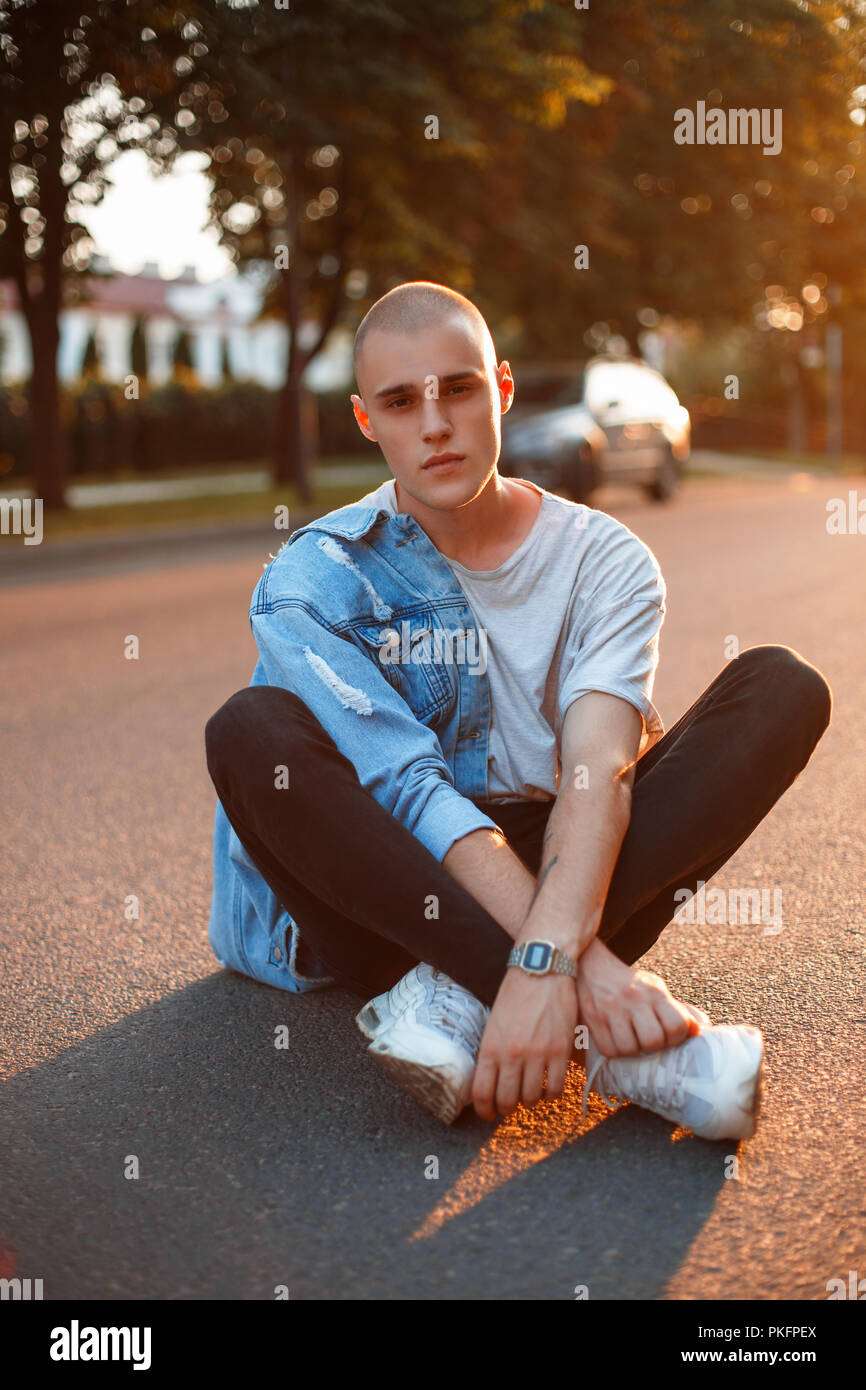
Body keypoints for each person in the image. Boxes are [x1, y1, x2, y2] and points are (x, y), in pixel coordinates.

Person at [204, 281, 832, 1140]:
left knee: (781, 687)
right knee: (248, 729)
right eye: (400, 401)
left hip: (543, 854)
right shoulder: (314, 579)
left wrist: (543, 954)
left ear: (499, 390)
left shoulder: (602, 559)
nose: (434, 424)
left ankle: (458, 992)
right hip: (372, 895)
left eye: (457, 389)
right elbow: (411, 795)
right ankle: (614, 1038)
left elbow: (599, 771)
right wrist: (576, 968)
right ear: (366, 420)